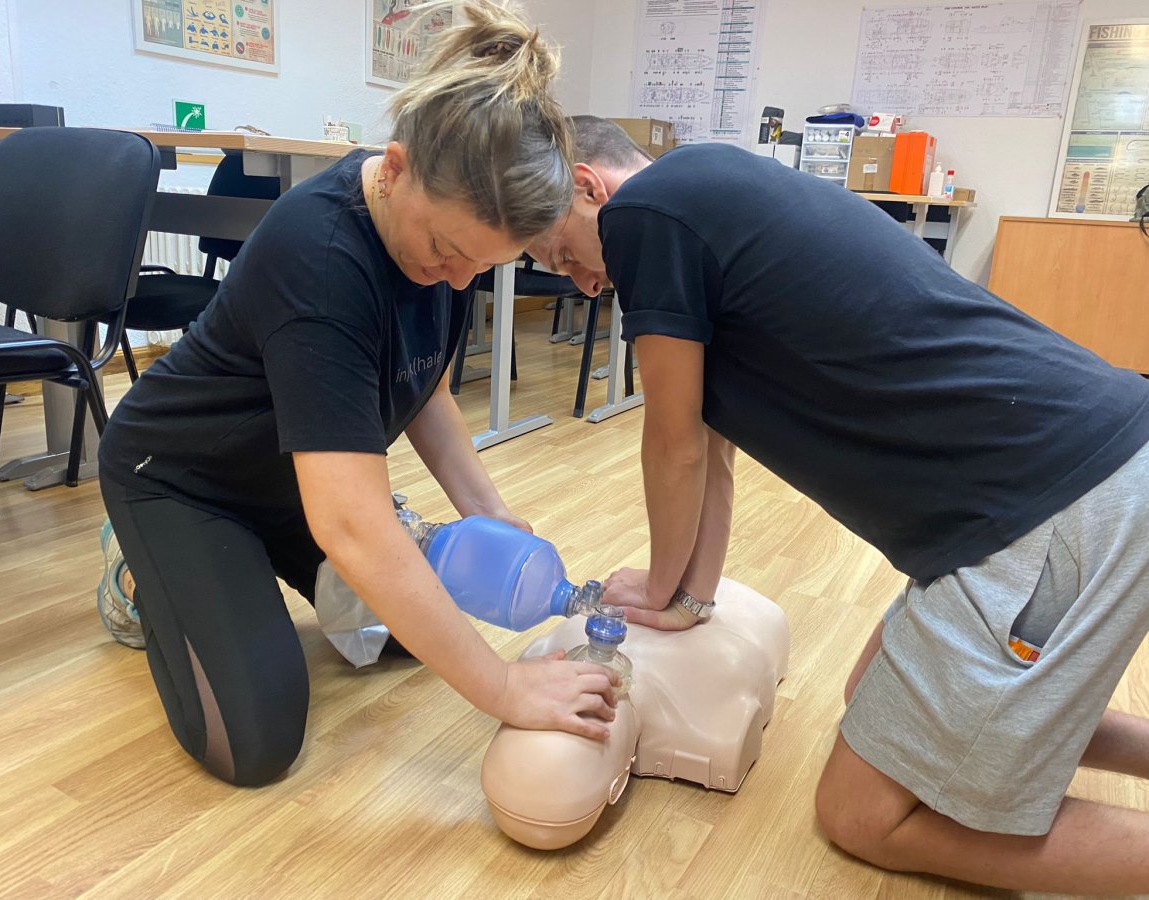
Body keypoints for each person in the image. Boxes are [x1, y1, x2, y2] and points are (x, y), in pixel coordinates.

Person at [526, 115, 1149, 893]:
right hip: (1078, 466)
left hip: (1050, 504)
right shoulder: (709, 190)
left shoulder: (643, 217)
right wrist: (689, 595)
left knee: (860, 815)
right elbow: (710, 453)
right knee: (872, 695)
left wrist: (655, 587)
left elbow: (672, 443)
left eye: (562, 256)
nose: (584, 283)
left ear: (590, 188)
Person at [95, 3, 620, 788]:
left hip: (293, 480)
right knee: (256, 746)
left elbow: (423, 385)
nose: (458, 279)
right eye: (446, 250)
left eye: (483, 266)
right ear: (396, 166)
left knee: (410, 631)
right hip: (181, 477)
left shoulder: (440, 244)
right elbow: (349, 521)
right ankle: (138, 570)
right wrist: (503, 688)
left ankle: (235, 574)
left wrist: (488, 510)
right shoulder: (321, 255)